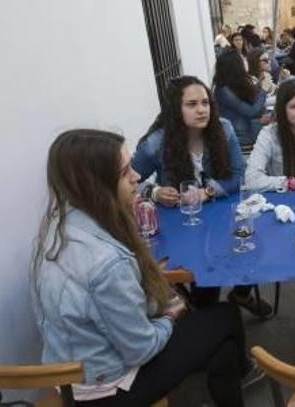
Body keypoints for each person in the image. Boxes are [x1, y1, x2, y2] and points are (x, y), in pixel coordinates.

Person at [31, 129, 258, 406]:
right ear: (96, 184)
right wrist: (170, 316)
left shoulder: (58, 225)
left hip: (70, 368)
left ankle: (233, 373)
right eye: (126, 172)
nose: (136, 177)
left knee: (221, 344)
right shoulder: (108, 263)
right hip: (105, 389)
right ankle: (240, 370)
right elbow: (141, 349)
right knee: (224, 316)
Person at [132, 76, 272, 317]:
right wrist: (154, 191)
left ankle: (236, 295)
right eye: (192, 104)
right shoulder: (156, 142)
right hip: (179, 223)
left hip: (220, 217)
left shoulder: (223, 128)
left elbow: (239, 175)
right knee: (199, 270)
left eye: (205, 103)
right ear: (175, 109)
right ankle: (203, 313)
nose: (201, 110)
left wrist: (207, 192)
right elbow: (129, 181)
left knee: (252, 245)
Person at [213, 54, 268, 148]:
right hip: (242, 136)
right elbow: (251, 111)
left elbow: (248, 99)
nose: (245, 62)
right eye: (242, 61)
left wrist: (259, 85)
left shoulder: (232, 85)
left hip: (248, 128)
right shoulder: (223, 91)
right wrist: (263, 90)